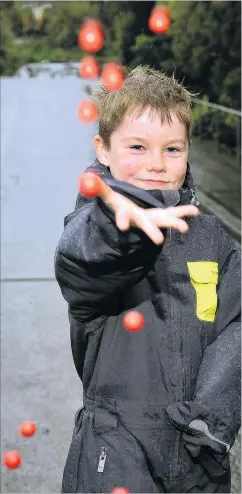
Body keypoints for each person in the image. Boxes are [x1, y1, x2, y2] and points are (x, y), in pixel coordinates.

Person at [54, 66, 241, 493]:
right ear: (103, 150)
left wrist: (211, 417)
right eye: (137, 146)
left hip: (198, 458)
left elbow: (237, 322)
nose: (156, 164)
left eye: (172, 149)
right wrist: (118, 226)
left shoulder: (211, 239)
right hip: (116, 457)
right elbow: (81, 267)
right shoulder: (94, 230)